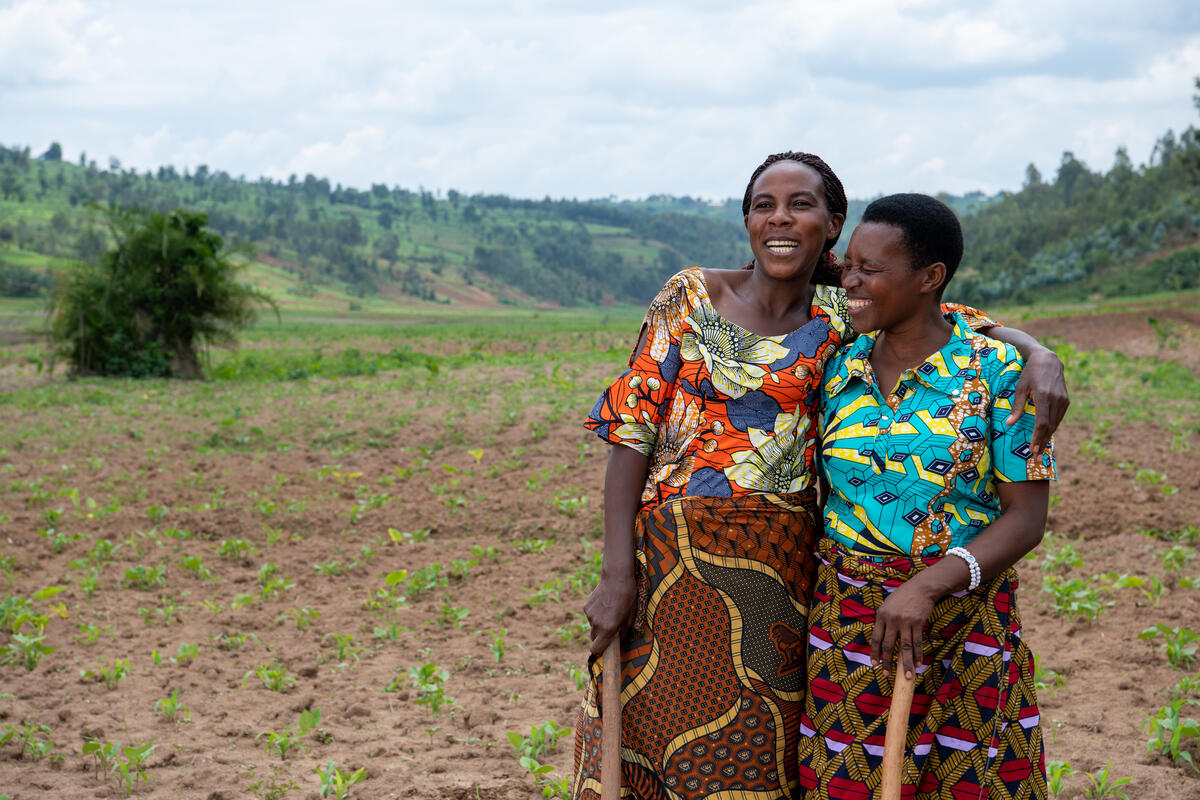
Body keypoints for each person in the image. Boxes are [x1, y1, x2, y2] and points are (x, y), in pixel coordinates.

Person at [572, 153, 1065, 800]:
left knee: (757, 759)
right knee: (650, 738)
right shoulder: (690, 295)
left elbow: (946, 316)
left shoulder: (845, 316)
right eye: (762, 204)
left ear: (832, 224)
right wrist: (616, 573)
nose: (779, 217)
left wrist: (1038, 350)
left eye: (800, 204)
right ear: (746, 219)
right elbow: (630, 433)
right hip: (670, 565)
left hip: (782, 574)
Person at [798, 194, 1055, 799]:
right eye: (848, 267)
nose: (851, 282)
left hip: (967, 626)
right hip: (850, 631)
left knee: (969, 782)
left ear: (929, 278)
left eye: (870, 270)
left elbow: (1027, 518)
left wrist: (927, 585)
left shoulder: (1000, 374)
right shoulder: (836, 366)